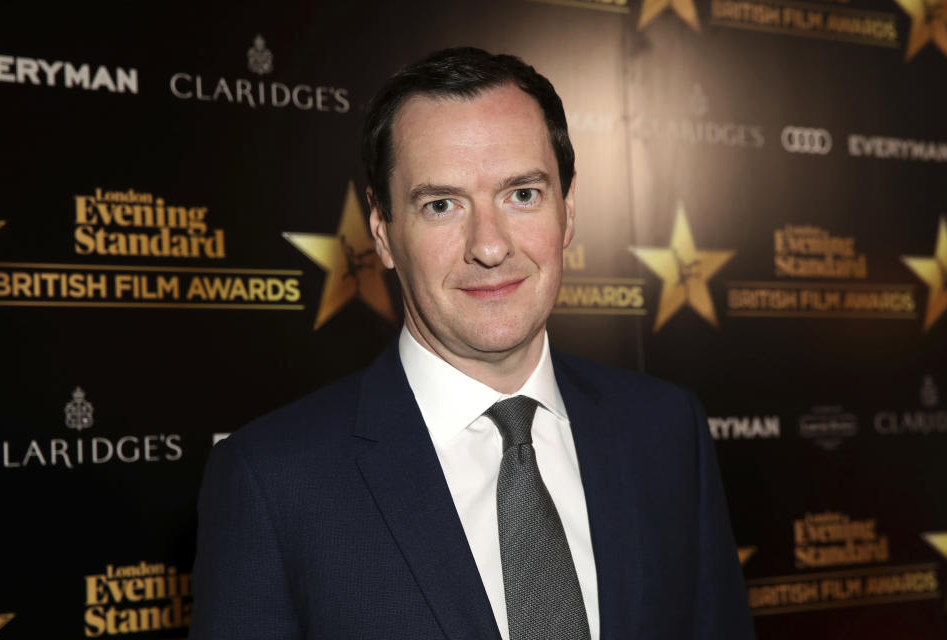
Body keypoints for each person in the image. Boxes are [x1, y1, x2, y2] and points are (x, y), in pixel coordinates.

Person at [190, 47, 755, 640]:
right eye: (441, 205)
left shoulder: (667, 430)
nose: (489, 245)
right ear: (382, 232)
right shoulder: (271, 482)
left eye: (523, 195)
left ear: (567, 212)